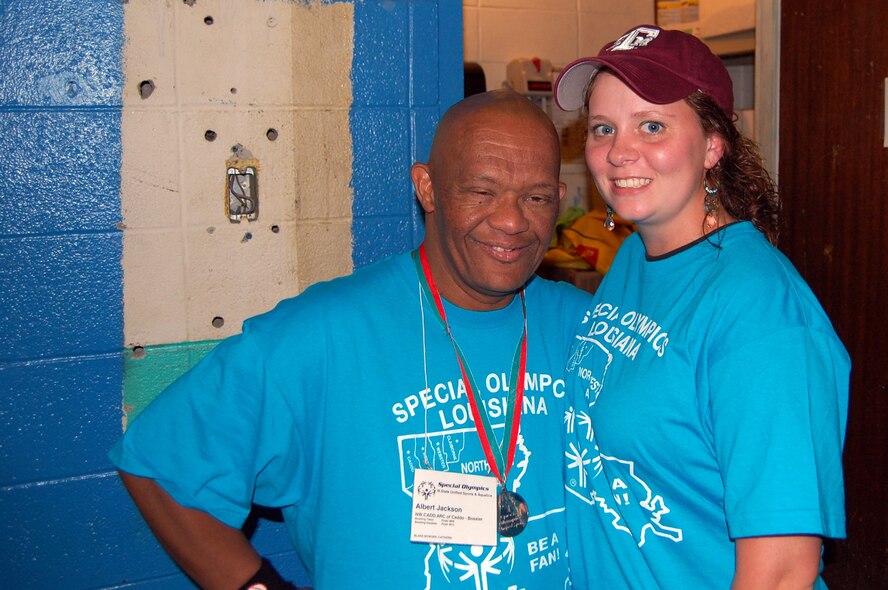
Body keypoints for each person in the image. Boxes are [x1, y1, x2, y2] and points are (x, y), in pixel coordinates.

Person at [109, 89, 593, 589]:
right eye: (481, 192)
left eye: (535, 198)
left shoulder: (588, 328)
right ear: (427, 188)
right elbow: (160, 467)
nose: (512, 221)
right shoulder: (323, 334)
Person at [553, 24, 850, 589]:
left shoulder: (763, 316)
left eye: (652, 125)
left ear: (714, 144)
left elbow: (783, 573)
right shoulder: (637, 258)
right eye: (603, 128)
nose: (619, 151)